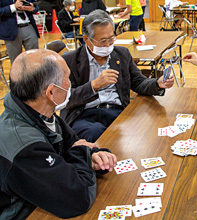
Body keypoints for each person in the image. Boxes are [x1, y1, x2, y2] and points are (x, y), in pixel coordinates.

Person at [0, 49, 118, 219]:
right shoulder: (24, 147)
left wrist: (93, 155)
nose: (70, 84)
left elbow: (74, 143)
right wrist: (83, 154)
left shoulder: (36, 112)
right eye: (67, 78)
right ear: (51, 92)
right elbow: (77, 198)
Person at [61, 9, 174, 142]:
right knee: (96, 134)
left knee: (143, 131)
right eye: (103, 41)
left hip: (117, 111)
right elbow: (64, 99)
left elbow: (138, 82)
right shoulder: (69, 61)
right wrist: (94, 86)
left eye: (111, 38)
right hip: (84, 115)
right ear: (87, 39)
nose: (108, 45)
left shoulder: (121, 54)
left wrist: (157, 83)